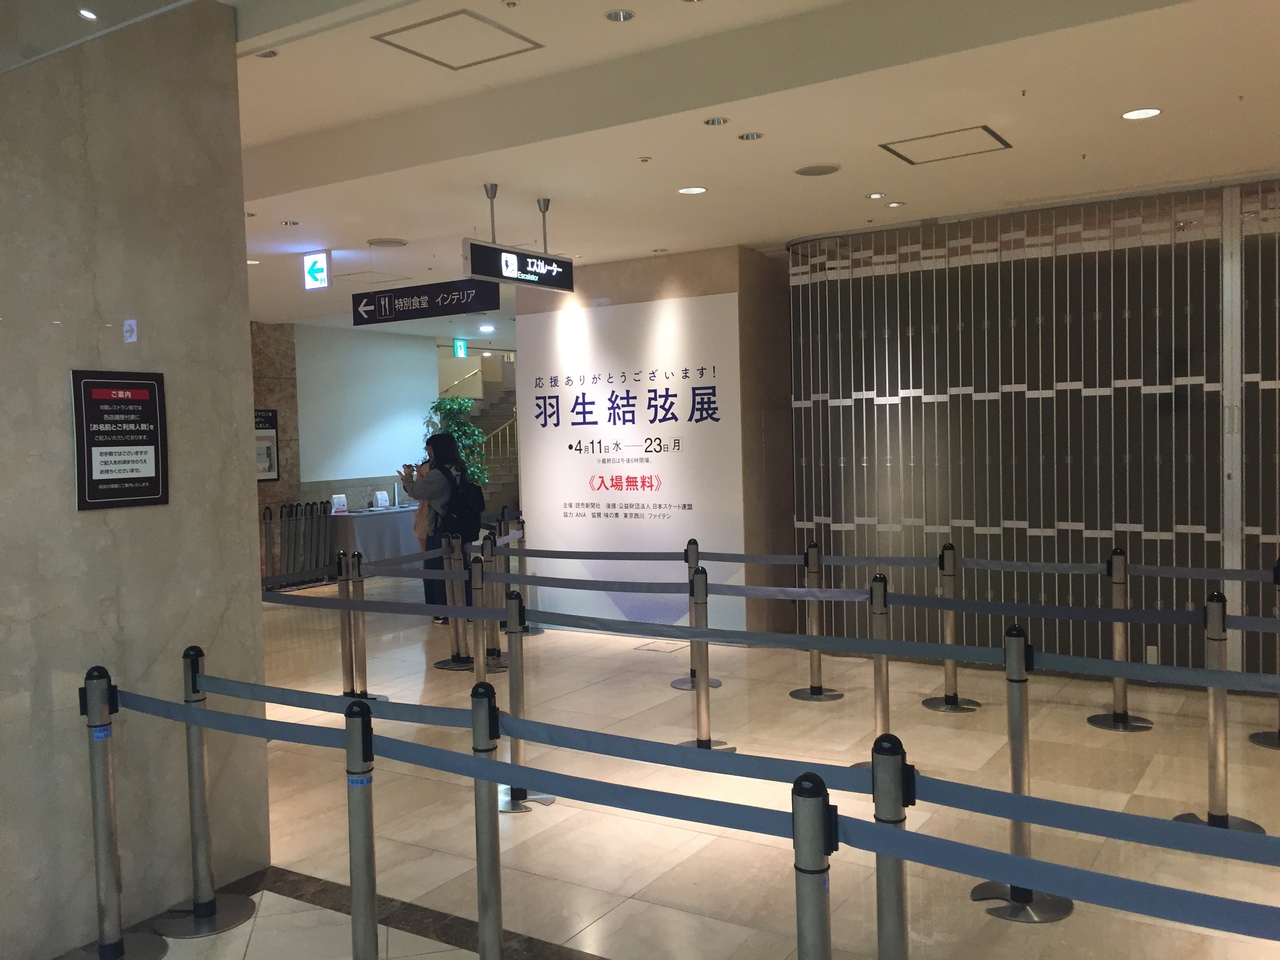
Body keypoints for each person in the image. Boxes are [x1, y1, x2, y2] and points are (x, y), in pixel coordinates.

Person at [399, 432, 472, 621]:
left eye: (430, 449)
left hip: (441, 527)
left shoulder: (439, 474)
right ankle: (464, 608)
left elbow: (417, 492)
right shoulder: (459, 469)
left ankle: (442, 611)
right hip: (459, 526)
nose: (428, 453)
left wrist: (408, 477)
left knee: (436, 569)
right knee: (458, 567)